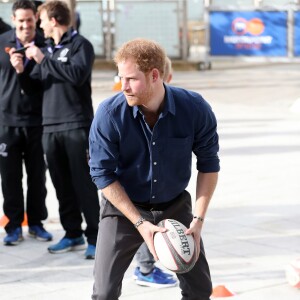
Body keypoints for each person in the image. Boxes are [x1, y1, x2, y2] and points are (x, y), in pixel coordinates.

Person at [89, 38, 220, 300]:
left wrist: (199, 219)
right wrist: (140, 222)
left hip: (174, 205)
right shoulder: (109, 114)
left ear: (155, 75)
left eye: (131, 79)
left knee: (200, 289)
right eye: (120, 77)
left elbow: (209, 165)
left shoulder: (194, 108)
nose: (122, 86)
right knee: (104, 293)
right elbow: (102, 175)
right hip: (124, 209)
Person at [12, 0, 100, 259]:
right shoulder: (47, 48)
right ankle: (72, 232)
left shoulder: (80, 45)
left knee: (84, 183)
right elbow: (34, 87)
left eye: (40, 20)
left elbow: (77, 75)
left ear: (53, 20)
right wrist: (21, 72)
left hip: (76, 124)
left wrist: (42, 59)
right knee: (61, 184)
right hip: (49, 126)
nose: (38, 26)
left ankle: (95, 237)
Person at [0, 0, 52, 245]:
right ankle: (13, 226)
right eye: (20, 21)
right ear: (13, 20)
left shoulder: (45, 46)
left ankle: (36, 223)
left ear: (36, 20)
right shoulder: (2, 43)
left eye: (29, 20)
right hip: (7, 122)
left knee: (37, 176)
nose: (25, 25)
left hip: (37, 121)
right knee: (10, 177)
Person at [133, 56, 177, 287]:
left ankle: (144, 267)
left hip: (152, 185)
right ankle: (145, 270)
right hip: (132, 188)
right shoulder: (138, 111)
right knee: (143, 224)